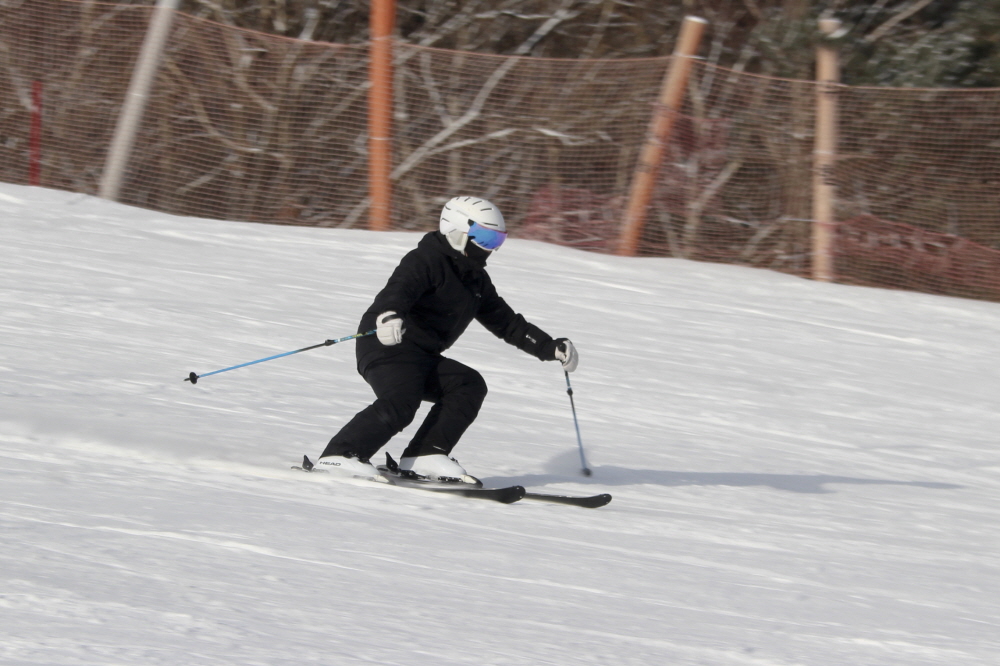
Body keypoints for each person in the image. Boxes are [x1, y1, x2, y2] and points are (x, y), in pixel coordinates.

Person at [317, 196, 578, 484]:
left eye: (497, 240)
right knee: (402, 400)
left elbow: (507, 323)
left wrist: (549, 347)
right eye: (485, 238)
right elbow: (399, 290)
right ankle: (341, 455)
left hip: (423, 356)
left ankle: (425, 454)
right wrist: (389, 316)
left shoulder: (475, 280)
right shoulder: (426, 259)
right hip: (387, 344)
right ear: (457, 230)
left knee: (467, 384)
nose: (490, 248)